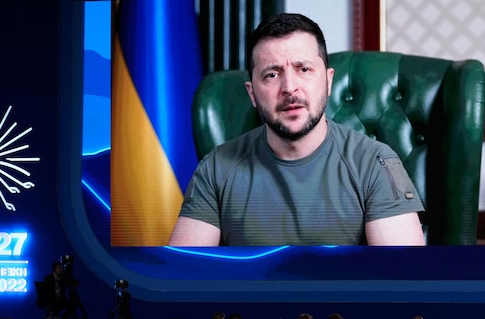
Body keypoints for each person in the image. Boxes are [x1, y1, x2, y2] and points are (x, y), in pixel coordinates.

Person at [168, 13, 425, 246]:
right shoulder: (216, 168)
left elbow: (404, 280)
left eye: (303, 69)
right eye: (272, 74)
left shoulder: (376, 163)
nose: (289, 87)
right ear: (252, 93)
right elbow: (183, 279)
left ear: (327, 80)